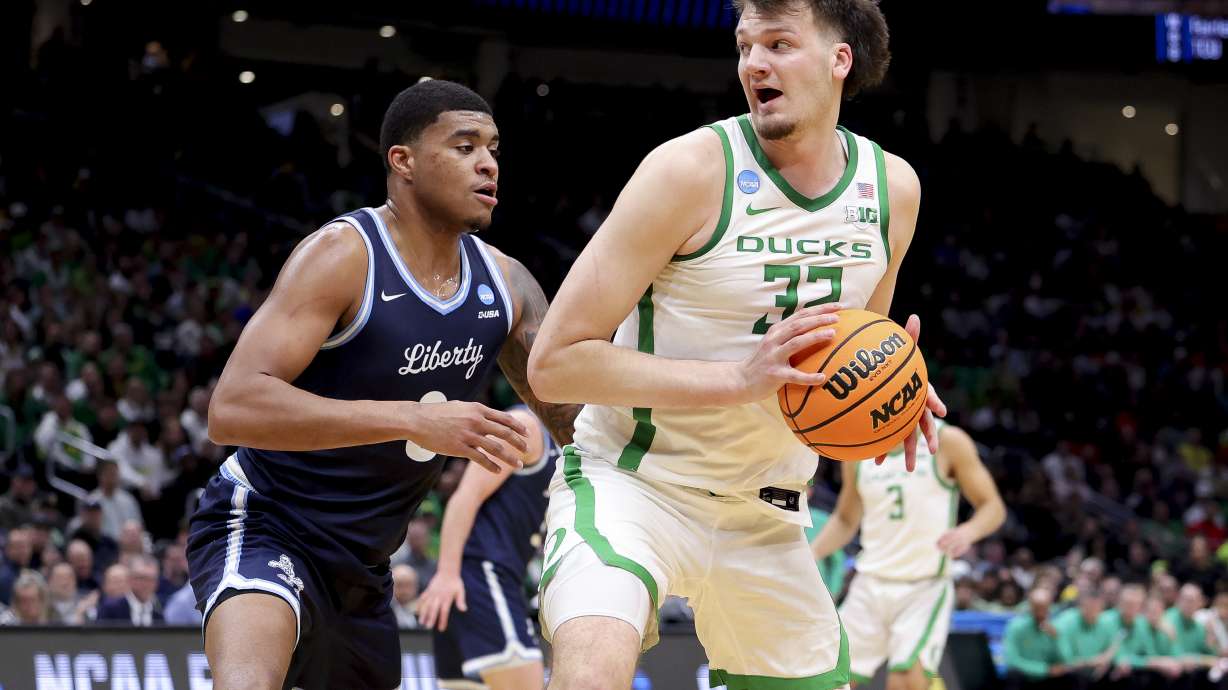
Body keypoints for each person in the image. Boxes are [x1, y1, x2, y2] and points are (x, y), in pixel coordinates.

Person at [527, 1, 945, 686]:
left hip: (769, 508)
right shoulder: (687, 171)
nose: (754, 63)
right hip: (636, 484)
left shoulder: (892, 188)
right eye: (745, 45)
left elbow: (854, 349)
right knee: (592, 670)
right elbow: (553, 364)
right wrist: (737, 380)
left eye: (779, 44)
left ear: (841, 60)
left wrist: (892, 394)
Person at [186, 79, 578, 690]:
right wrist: (410, 418)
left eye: (494, 148)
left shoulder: (507, 284)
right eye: (465, 145)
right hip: (268, 520)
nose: (487, 163)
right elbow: (231, 407)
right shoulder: (345, 254)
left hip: (366, 566)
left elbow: (575, 421)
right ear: (404, 161)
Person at [810, 422, 1006, 688]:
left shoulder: (948, 440)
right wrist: (811, 555)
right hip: (869, 584)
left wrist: (968, 531)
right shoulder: (857, 447)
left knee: (905, 681)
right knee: (830, 680)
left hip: (923, 586)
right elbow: (845, 518)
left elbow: (992, 506)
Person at [419, 406, 559, 690]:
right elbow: (465, 497)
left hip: (477, 581)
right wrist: (447, 574)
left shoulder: (576, 441)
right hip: (481, 574)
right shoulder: (526, 428)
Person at [1002, 587, 1069, 690]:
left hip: (1047, 679)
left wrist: (1057, 638)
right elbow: (1013, 661)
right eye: (1037, 608)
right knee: (1013, 674)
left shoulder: (1055, 627)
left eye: (1044, 608)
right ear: (1030, 607)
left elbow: (1065, 661)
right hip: (1026, 677)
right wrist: (1044, 670)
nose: (1041, 613)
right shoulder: (1016, 627)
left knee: (1071, 677)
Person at [96, 553, 163, 626]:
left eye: (151, 579)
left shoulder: (160, 610)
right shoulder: (110, 608)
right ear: (130, 579)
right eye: (141, 578)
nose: (146, 584)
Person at [390, 564, 421, 630]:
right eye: (399, 585)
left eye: (408, 585)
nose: (404, 590)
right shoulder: (384, 613)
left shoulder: (423, 613)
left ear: (416, 586)